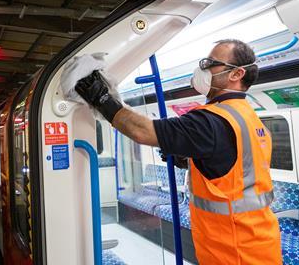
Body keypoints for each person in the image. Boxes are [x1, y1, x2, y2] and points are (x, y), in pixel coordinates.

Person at [75, 39, 282, 264]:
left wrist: (102, 99)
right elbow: (234, 171)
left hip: (234, 253)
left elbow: (141, 130)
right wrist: (190, 160)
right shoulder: (252, 121)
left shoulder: (210, 120)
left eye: (209, 63)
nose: (202, 69)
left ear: (237, 74)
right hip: (260, 243)